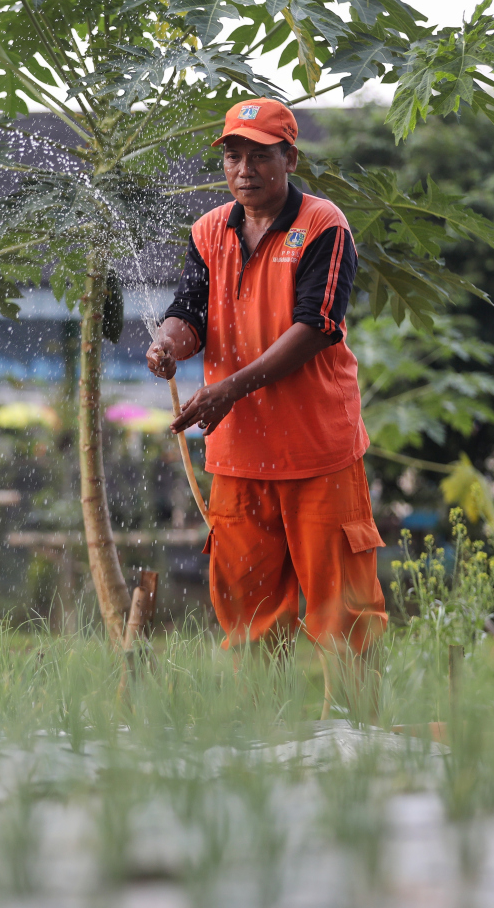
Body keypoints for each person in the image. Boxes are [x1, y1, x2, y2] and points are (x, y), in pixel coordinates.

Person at [146, 97, 387, 660]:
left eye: (259, 156)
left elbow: (316, 327)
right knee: (249, 618)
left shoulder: (323, 225)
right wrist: (167, 344)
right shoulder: (208, 231)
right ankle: (259, 719)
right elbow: (190, 313)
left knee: (343, 616)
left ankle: (351, 718)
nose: (244, 170)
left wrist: (230, 389)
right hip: (239, 456)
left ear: (290, 159)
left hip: (319, 453)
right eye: (233, 156)